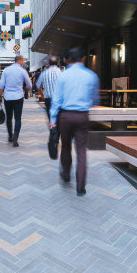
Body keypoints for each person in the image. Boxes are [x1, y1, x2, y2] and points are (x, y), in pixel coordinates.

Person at [49, 47, 99, 196]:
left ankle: (65, 174)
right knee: (81, 150)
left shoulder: (63, 76)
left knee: (65, 146)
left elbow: (56, 99)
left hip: (66, 116)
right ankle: (81, 186)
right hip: (83, 116)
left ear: (68, 59)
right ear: (83, 59)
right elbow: (95, 100)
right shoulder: (91, 76)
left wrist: (53, 118)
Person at [0, 55, 32, 147]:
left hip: (7, 97)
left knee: (9, 117)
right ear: (20, 60)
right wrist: (25, 88)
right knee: (18, 118)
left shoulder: (6, 70)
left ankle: (10, 136)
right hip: (18, 97)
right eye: (23, 61)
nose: (23, 62)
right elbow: (29, 85)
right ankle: (15, 139)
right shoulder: (23, 71)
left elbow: (1, 85)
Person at [37, 56, 62, 123]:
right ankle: (56, 131)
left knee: (51, 118)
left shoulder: (44, 73)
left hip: (48, 99)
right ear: (57, 63)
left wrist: (41, 95)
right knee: (58, 118)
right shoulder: (61, 73)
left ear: (49, 63)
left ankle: (53, 131)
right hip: (59, 100)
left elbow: (38, 85)